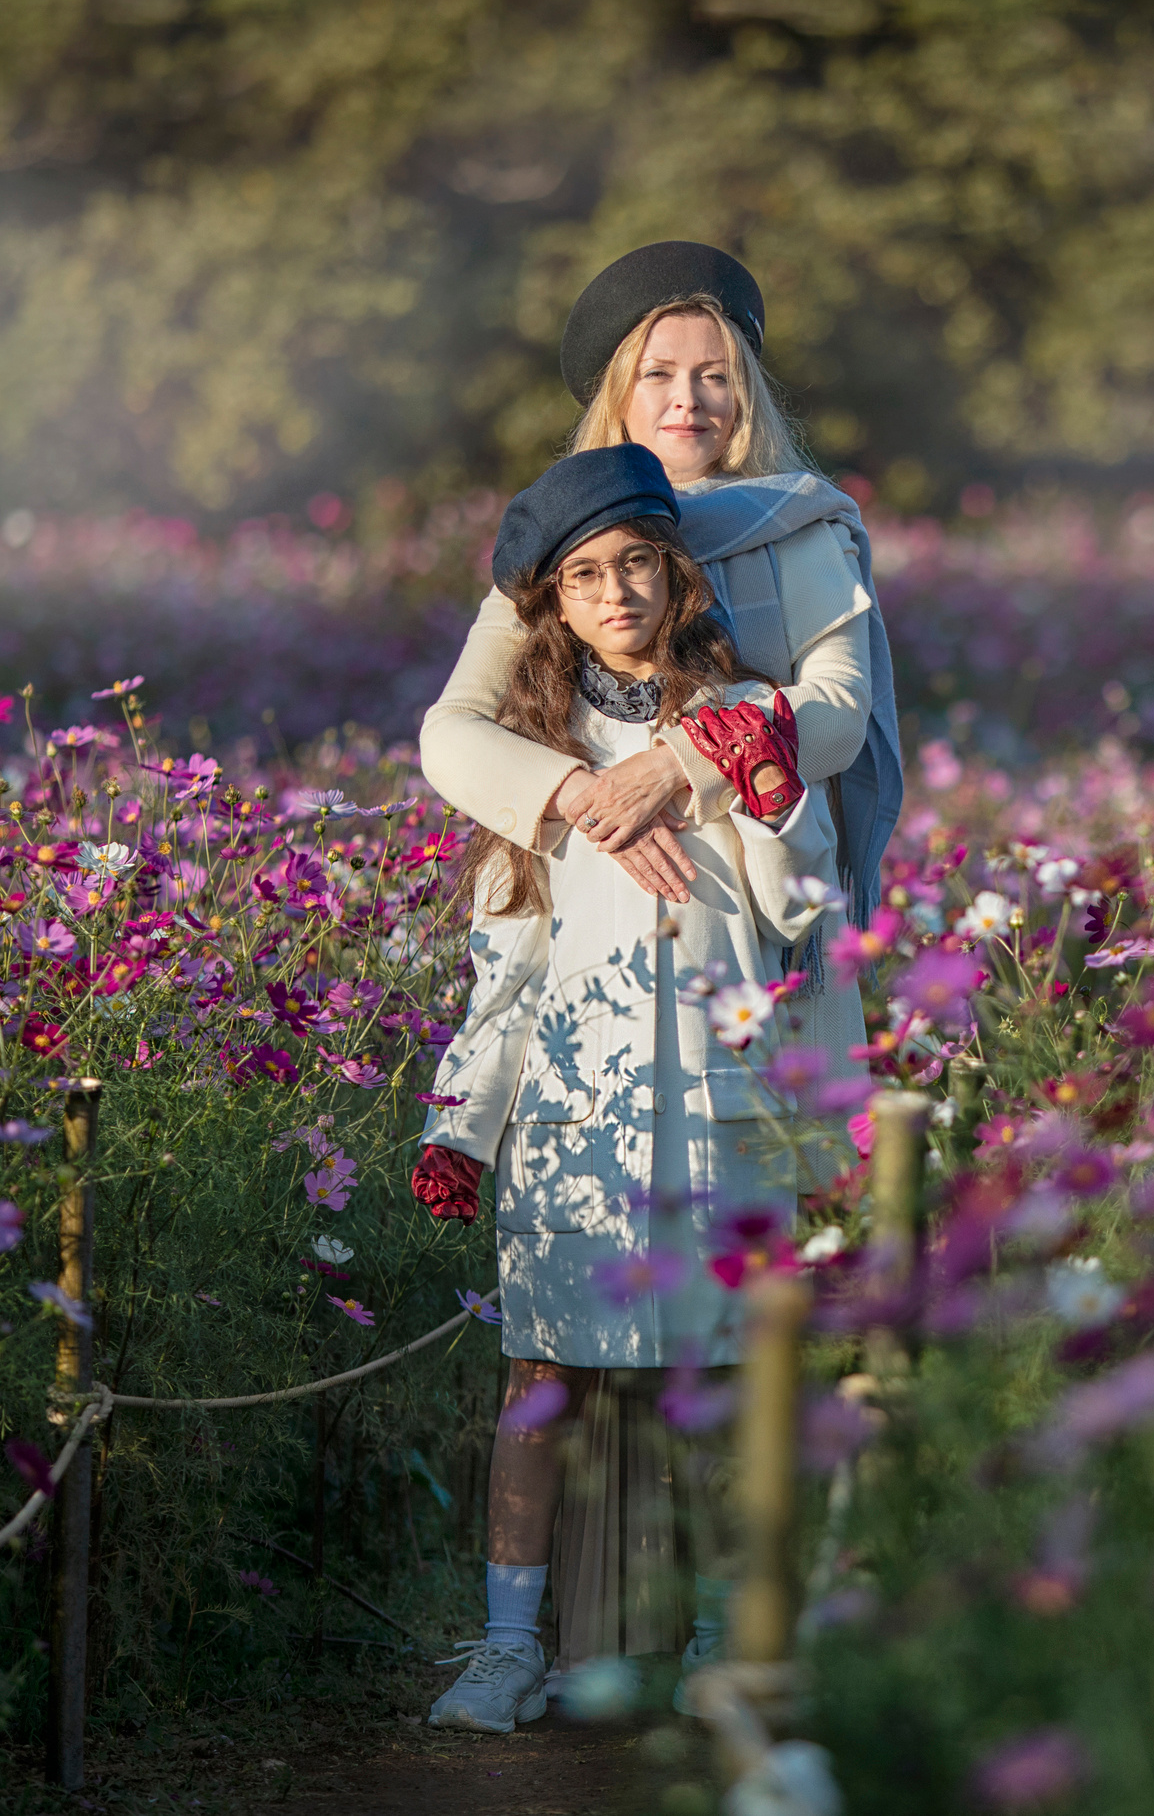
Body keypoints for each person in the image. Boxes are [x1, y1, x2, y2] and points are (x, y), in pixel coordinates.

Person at [415, 244, 903, 1725]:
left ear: (748, 386)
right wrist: (576, 801)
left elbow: (832, 718)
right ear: (618, 395)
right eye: (658, 373)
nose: (687, 396)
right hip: (585, 993)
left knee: (730, 1358)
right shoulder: (562, 537)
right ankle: (533, 1639)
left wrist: (681, 761)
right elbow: (455, 735)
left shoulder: (810, 528)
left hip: (744, 975)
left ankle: (725, 1638)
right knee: (562, 1369)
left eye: (713, 373)